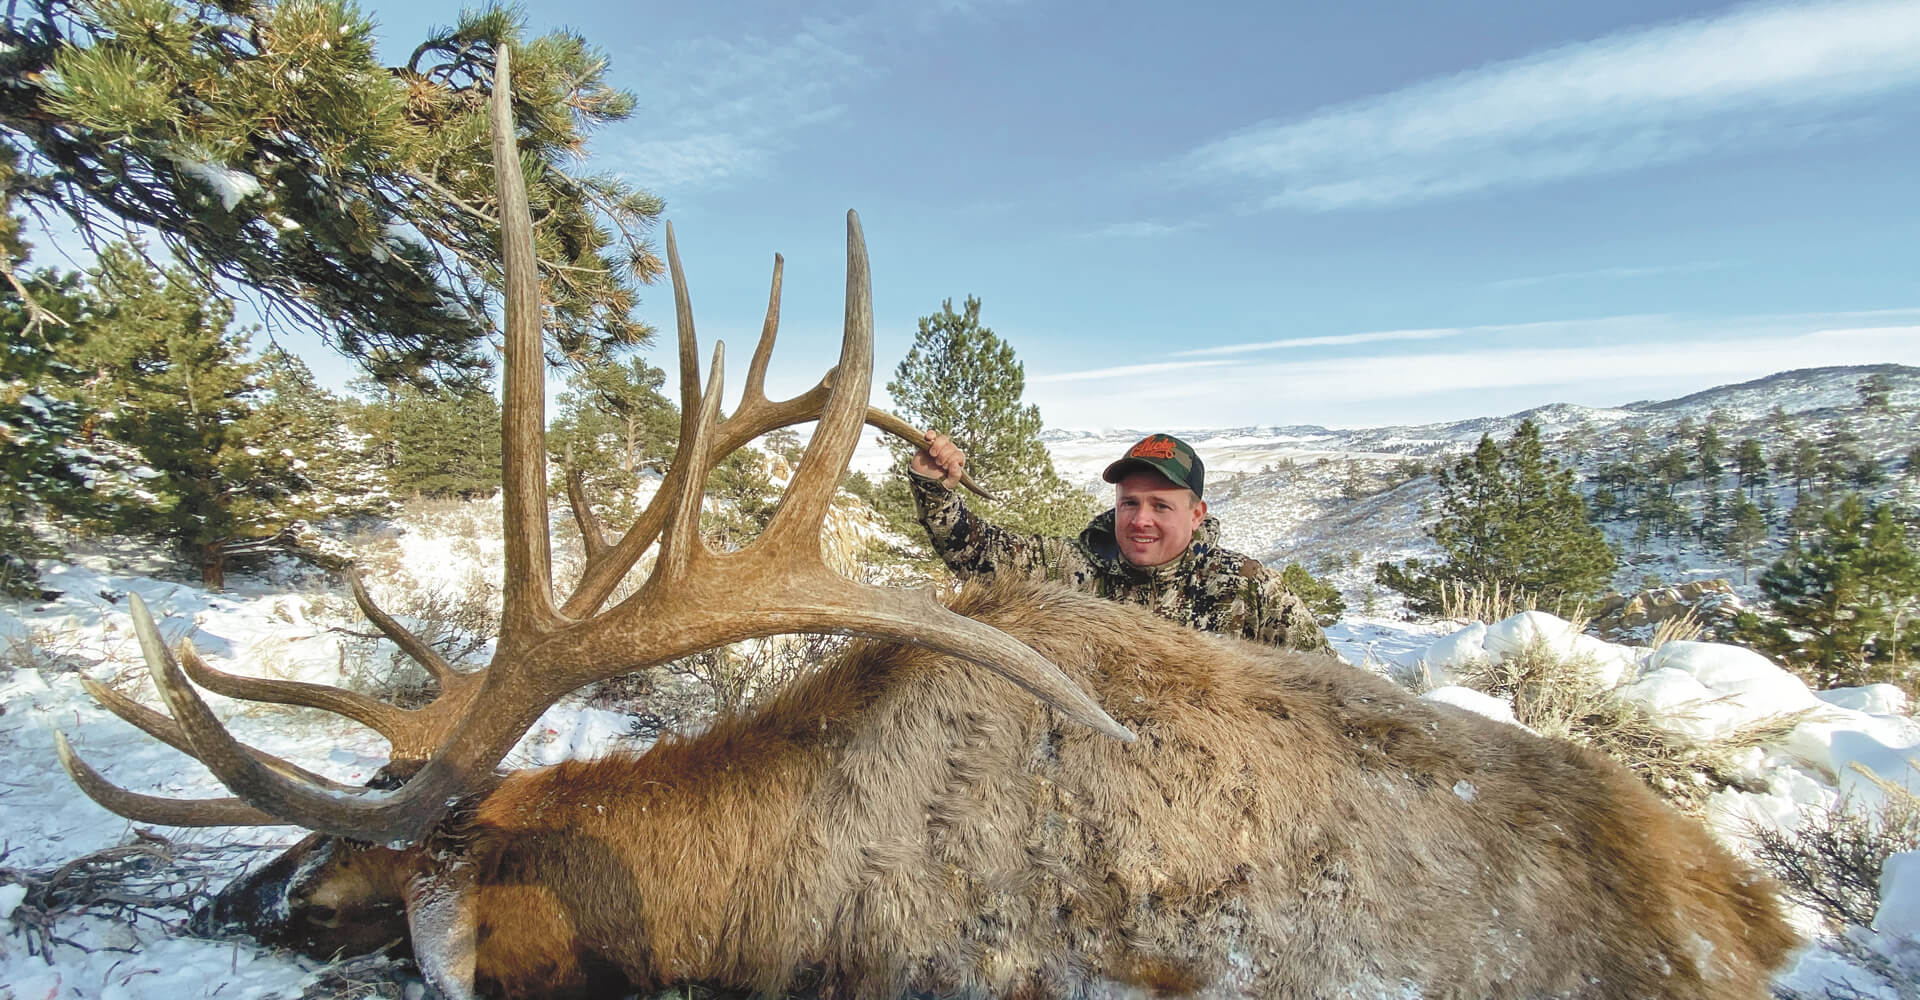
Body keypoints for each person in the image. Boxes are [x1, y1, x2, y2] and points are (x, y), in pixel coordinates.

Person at [909, 430, 1330, 653]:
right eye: (1129, 502)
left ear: (1196, 514)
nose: (1140, 520)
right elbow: (978, 552)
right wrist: (932, 487)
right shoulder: (1073, 566)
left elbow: (1331, 687)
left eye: (1160, 507)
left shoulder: (1248, 589)